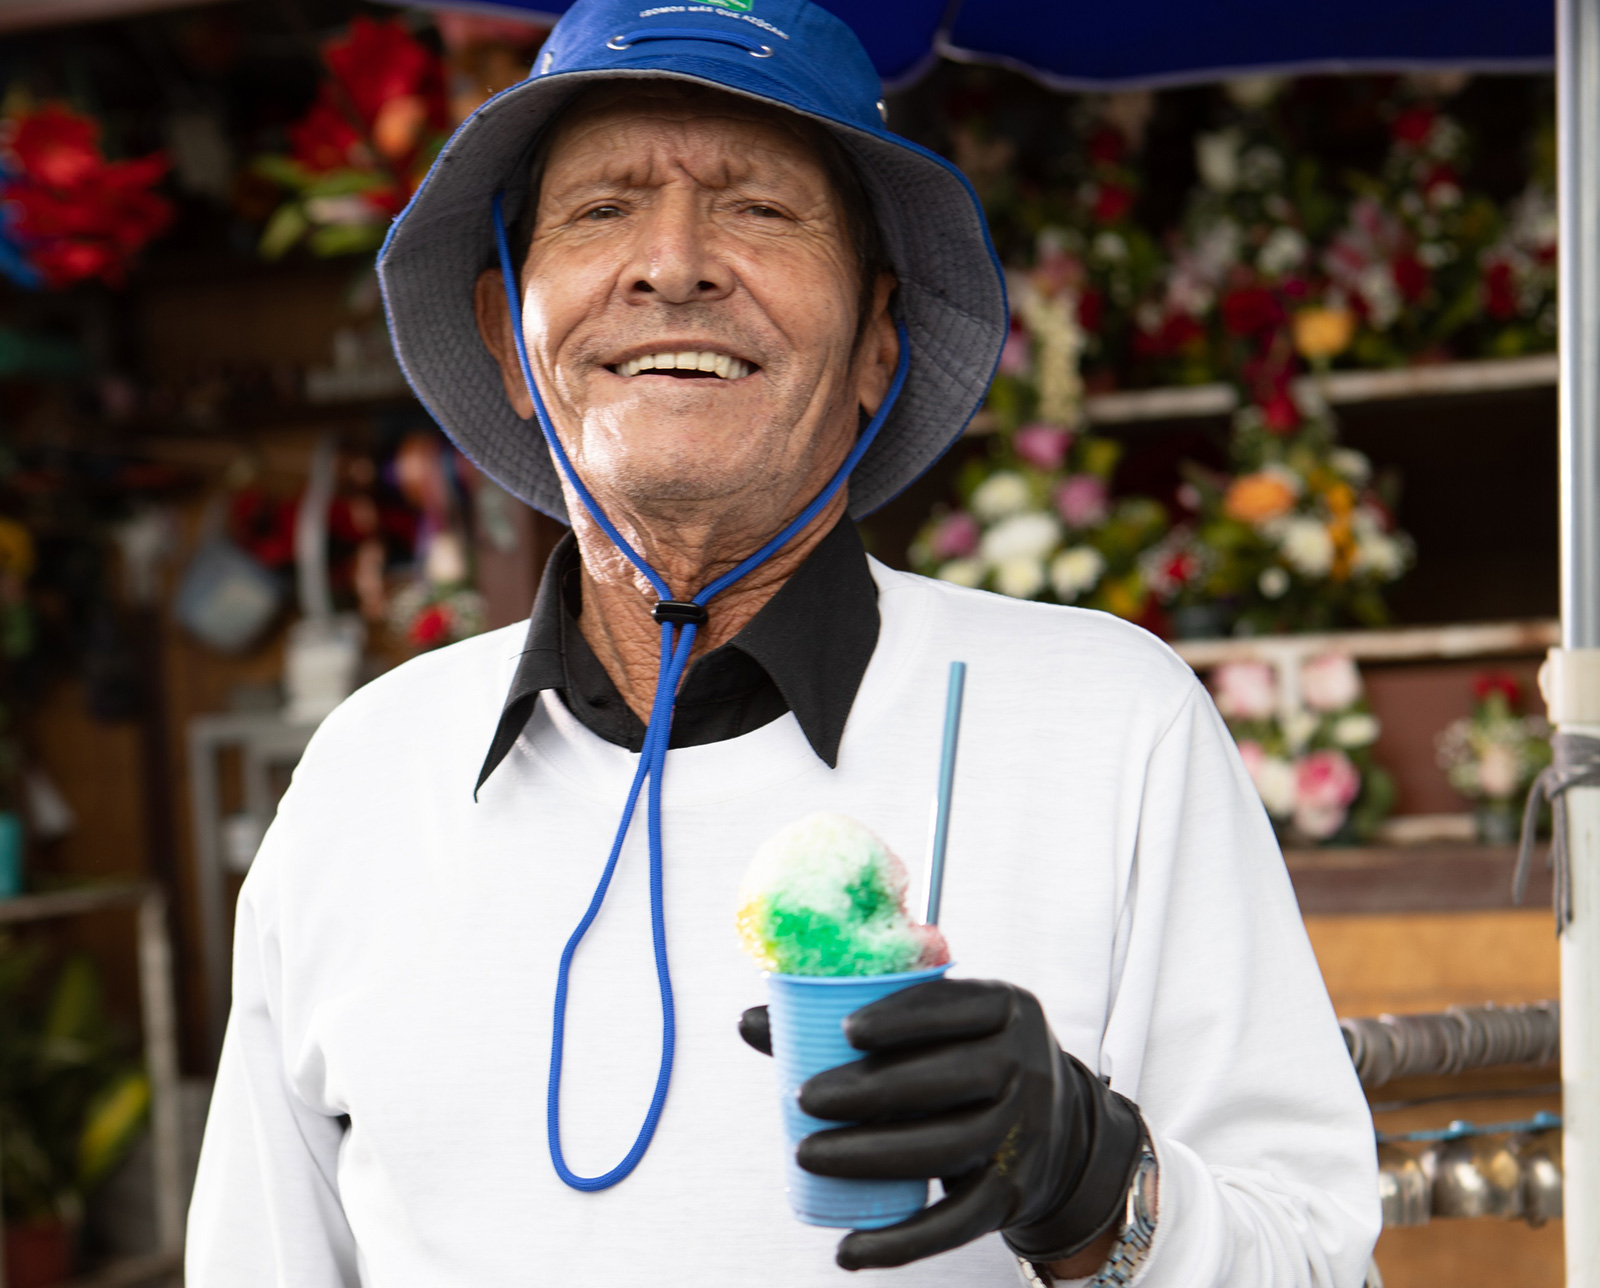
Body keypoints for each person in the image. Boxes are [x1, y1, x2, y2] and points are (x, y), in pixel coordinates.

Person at [186, 0, 1379, 1283]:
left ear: (877, 338)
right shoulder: (369, 772)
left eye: (758, 206)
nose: (673, 263)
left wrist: (1098, 1181)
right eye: (600, 209)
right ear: (506, 333)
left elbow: (1323, 1266)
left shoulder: (1108, 724)